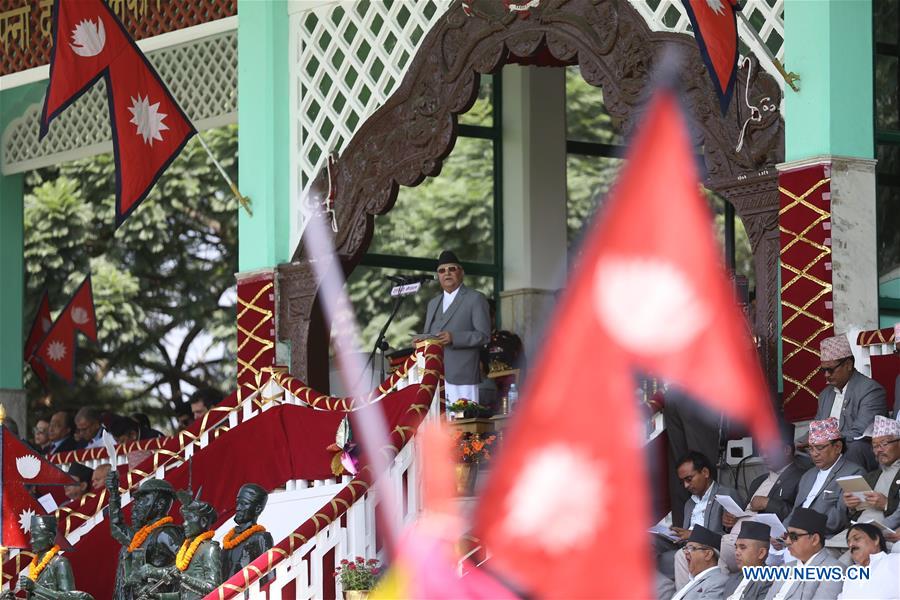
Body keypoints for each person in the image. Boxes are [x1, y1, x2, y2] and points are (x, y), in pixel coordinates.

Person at [721, 423, 810, 569]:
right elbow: (745, 511)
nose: (764, 456)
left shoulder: (801, 477)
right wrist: (730, 520)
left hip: (765, 538)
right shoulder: (758, 481)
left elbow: (798, 514)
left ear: (786, 450)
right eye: (762, 452)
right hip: (739, 535)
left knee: (724, 546)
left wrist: (768, 503)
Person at [656, 451, 742, 587]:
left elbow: (731, 540)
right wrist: (678, 535)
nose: (685, 485)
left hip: (710, 549)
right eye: (682, 481)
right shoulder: (689, 504)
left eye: (689, 479)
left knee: (681, 555)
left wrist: (693, 535)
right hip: (686, 545)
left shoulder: (726, 494)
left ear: (705, 473)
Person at [422, 250, 490, 404]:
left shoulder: (475, 298)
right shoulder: (433, 303)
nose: (447, 273)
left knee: (463, 423)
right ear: (438, 276)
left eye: (452, 269)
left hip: (462, 374)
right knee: (438, 425)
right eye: (441, 270)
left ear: (462, 272)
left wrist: (454, 338)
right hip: (434, 375)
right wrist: (420, 343)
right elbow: (428, 334)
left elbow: (484, 335)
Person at [106, 472, 184, 600]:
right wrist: (114, 494)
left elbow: (187, 563)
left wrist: (155, 573)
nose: (136, 506)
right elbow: (117, 528)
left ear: (160, 504)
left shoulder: (165, 533)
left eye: (142, 500)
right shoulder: (143, 534)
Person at [815, 334, 887, 470]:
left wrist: (827, 442)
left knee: (854, 448)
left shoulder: (870, 390)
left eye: (830, 369)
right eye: (823, 370)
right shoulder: (825, 395)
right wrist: (801, 442)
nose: (826, 375)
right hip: (828, 448)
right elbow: (817, 426)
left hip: (856, 448)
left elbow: (860, 431)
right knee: (796, 453)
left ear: (848, 364)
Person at [787, 417, 864, 537]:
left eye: (820, 448)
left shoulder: (854, 472)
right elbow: (794, 512)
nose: (814, 454)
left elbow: (838, 520)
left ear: (837, 447)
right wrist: (783, 531)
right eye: (811, 448)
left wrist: (802, 530)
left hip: (823, 538)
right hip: (795, 536)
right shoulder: (807, 476)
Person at [138, 490, 222, 600]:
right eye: (184, 519)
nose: (184, 524)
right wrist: (155, 597)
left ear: (203, 522)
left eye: (189, 519)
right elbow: (182, 596)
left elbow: (214, 588)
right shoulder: (186, 551)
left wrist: (182, 577)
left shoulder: (209, 548)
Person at [663, 387, 725, 528]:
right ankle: (703, 532)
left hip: (676, 387)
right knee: (698, 467)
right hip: (697, 387)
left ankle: (682, 530)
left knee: (683, 468)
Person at [0, 514, 94, 600]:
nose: (31, 541)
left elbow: (69, 598)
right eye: (31, 537)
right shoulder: (35, 565)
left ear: (50, 538)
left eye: (35, 537)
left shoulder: (60, 563)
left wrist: (35, 587)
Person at [764, 508, 843, 600]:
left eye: (793, 536)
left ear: (814, 540)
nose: (788, 541)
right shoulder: (785, 568)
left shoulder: (834, 570)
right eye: (787, 535)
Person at [843, 415, 900, 536]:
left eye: (884, 444)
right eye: (875, 446)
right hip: (856, 532)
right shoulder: (870, 477)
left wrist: (886, 504)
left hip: (884, 535)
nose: (879, 450)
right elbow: (853, 516)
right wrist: (852, 506)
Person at [222, 484, 274, 580]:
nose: (238, 508)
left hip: (247, 593)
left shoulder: (261, 537)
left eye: (244, 504)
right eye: (238, 503)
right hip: (224, 593)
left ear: (257, 509)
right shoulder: (229, 538)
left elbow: (269, 575)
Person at [838, 523, 900, 599]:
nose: (851, 544)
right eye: (848, 543)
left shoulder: (895, 561)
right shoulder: (852, 573)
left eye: (857, 538)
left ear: (876, 539)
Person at [672, 526, 730, 600]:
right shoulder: (690, 582)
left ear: (708, 554)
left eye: (691, 548)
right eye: (685, 548)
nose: (686, 552)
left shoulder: (719, 581)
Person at [723, 521, 773, 600]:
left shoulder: (770, 581)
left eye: (742, 547)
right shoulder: (733, 578)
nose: (736, 552)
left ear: (761, 553)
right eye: (736, 547)